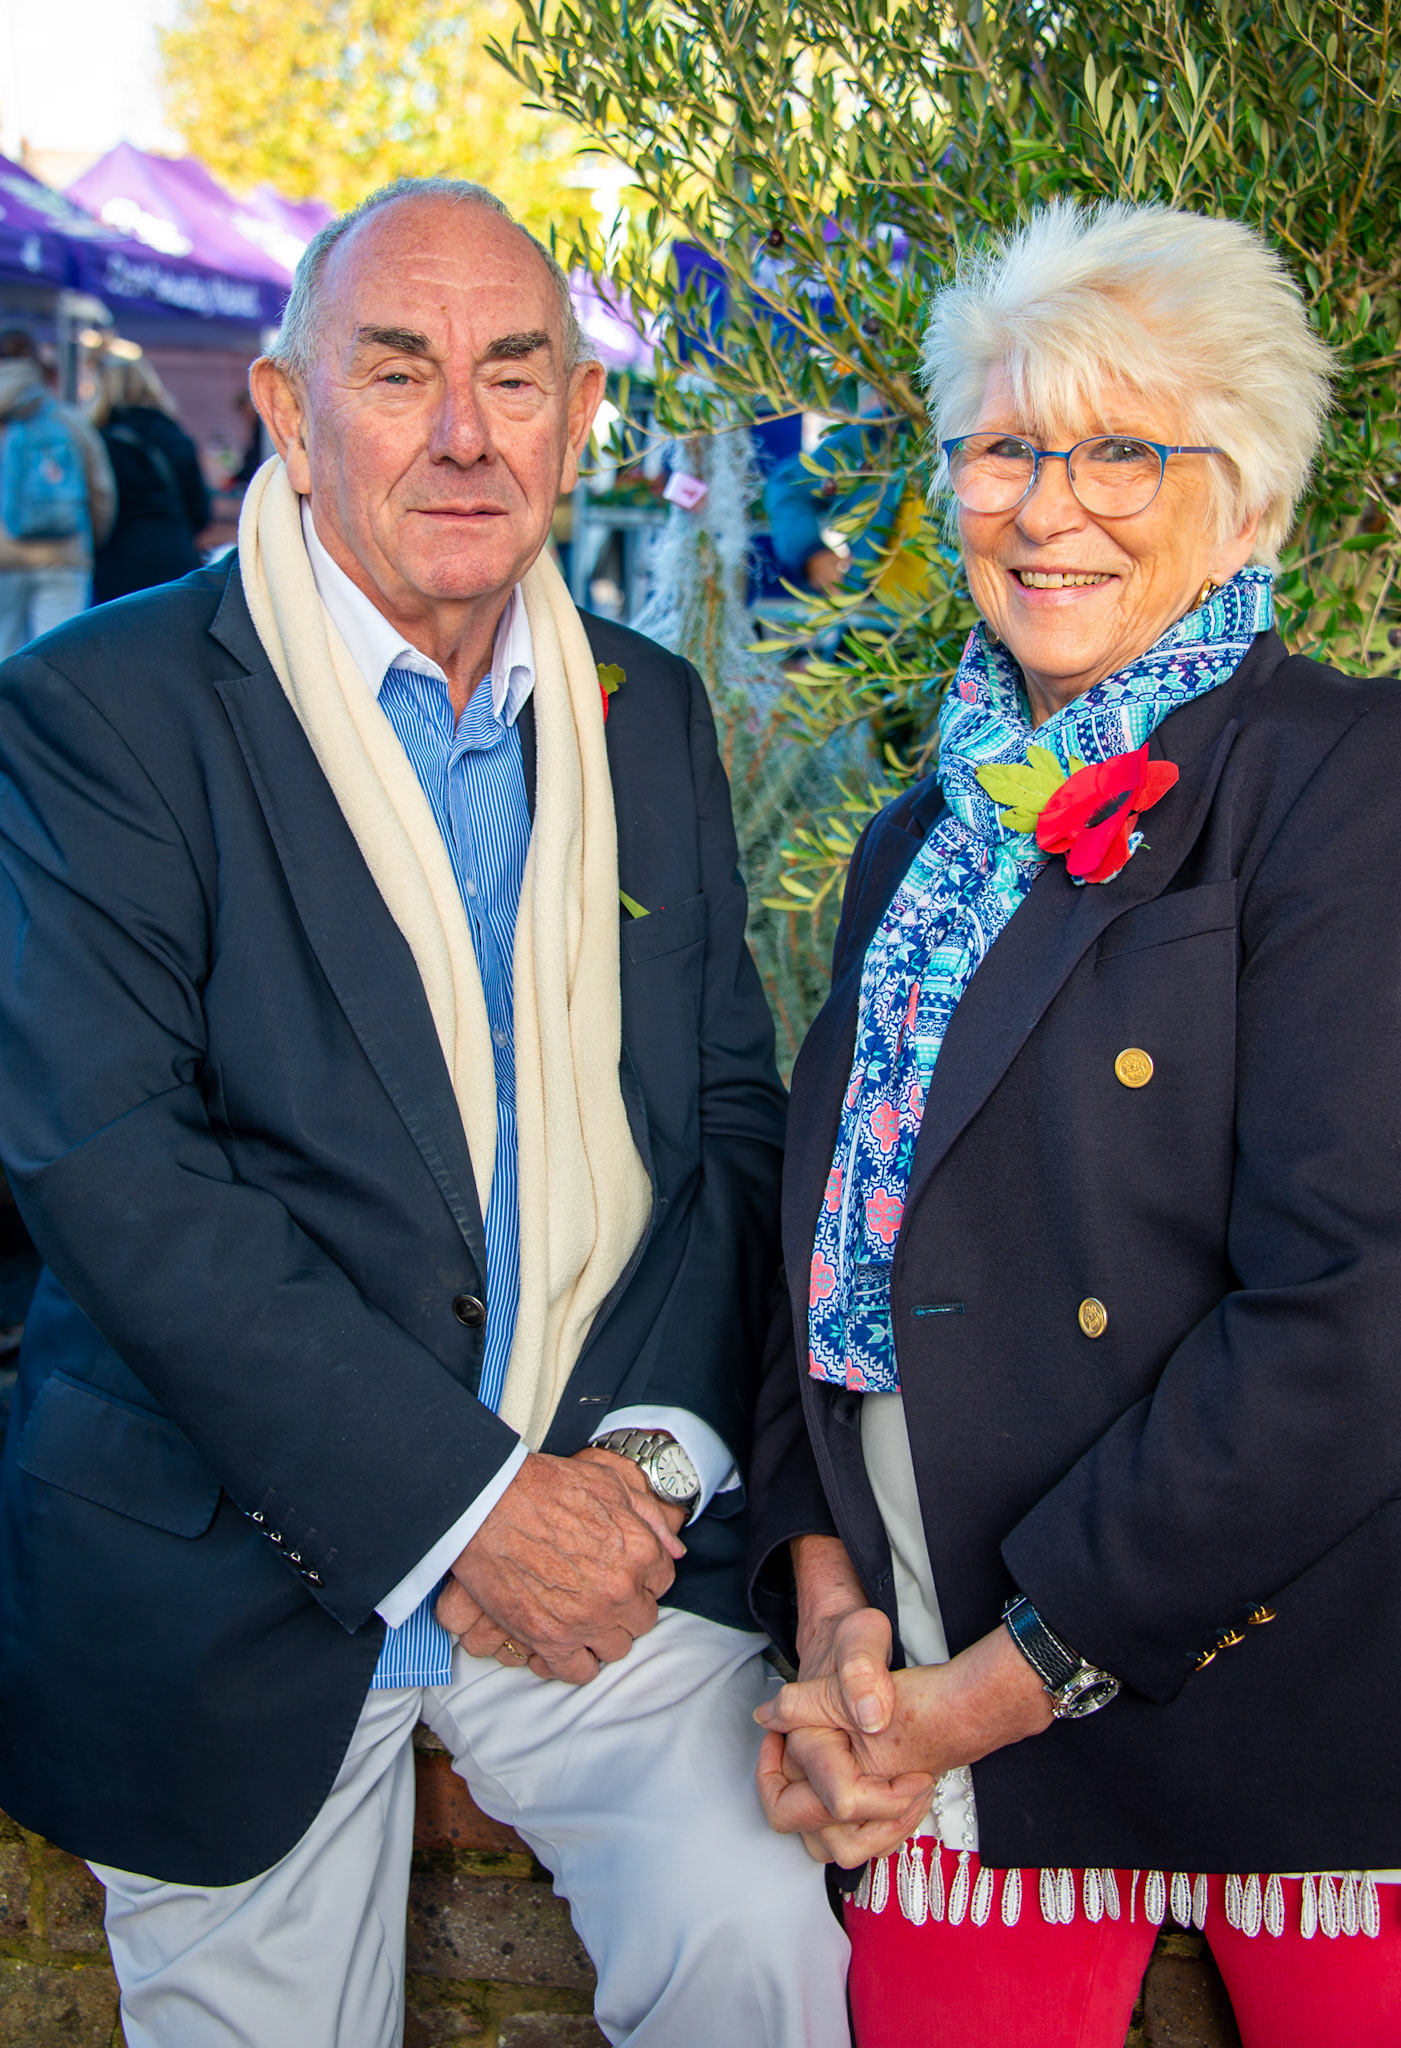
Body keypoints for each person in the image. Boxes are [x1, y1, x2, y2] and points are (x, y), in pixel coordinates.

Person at [0, 178, 848, 2048]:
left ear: (577, 416)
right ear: (289, 414)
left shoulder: (644, 710)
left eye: (514, 375)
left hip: (601, 1529)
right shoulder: (101, 713)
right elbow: (114, 1170)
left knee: (765, 1944)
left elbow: (721, 1118)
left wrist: (645, 1464)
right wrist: (468, 1508)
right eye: (398, 373)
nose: (465, 432)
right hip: (230, 1560)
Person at [746, 200, 1401, 2048]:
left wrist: (988, 1689)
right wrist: (829, 1604)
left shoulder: (1341, 776)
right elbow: (819, 1262)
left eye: (1124, 451)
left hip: (1275, 1682)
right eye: (1005, 448)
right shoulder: (917, 837)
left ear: (1246, 506)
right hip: (926, 1680)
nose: (1049, 508)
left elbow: (1354, 1312)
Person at [0, 329, 114, 657]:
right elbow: (101, 492)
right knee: (57, 663)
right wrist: (88, 541)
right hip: (65, 552)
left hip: (3, 557)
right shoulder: (68, 420)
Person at [90, 354, 211, 603]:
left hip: (118, 560)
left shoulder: (99, 442)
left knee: (115, 627)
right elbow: (202, 512)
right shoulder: (176, 437)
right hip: (175, 556)